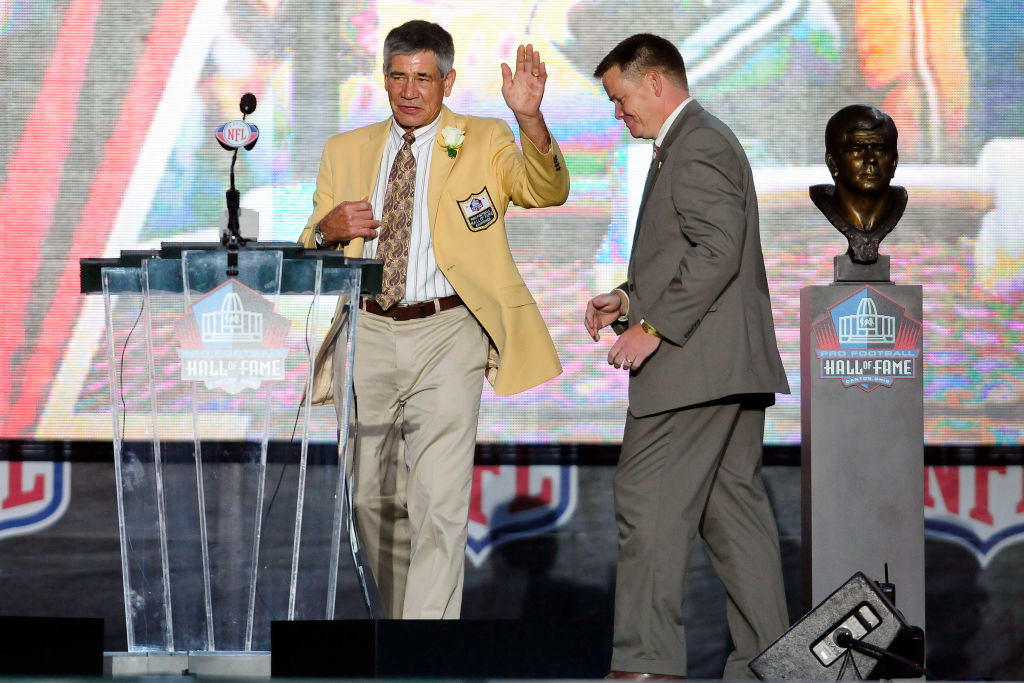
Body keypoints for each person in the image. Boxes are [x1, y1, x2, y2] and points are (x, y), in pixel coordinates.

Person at [299, 19, 569, 619]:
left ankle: (422, 652)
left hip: (448, 332)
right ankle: (404, 630)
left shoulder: (484, 138)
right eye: (398, 76)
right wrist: (327, 231)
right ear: (385, 78)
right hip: (365, 331)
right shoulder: (346, 150)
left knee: (439, 505)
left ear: (448, 81)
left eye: (423, 78)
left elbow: (545, 191)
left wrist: (529, 118)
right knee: (370, 500)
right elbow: (309, 244)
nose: (410, 90)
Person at [584, 34, 790, 679]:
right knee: (735, 521)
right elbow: (692, 250)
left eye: (620, 100)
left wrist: (652, 325)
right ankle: (773, 666)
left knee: (646, 503)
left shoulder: (696, 142)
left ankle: (645, 665)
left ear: (654, 83)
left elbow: (717, 249)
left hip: (694, 368)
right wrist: (626, 297)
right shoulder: (693, 140)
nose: (619, 115)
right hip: (725, 364)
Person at [810, 104, 906, 264]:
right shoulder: (823, 200)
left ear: (894, 163)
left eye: (879, 149)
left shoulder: (898, 202)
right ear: (833, 163)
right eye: (857, 149)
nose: (870, 159)